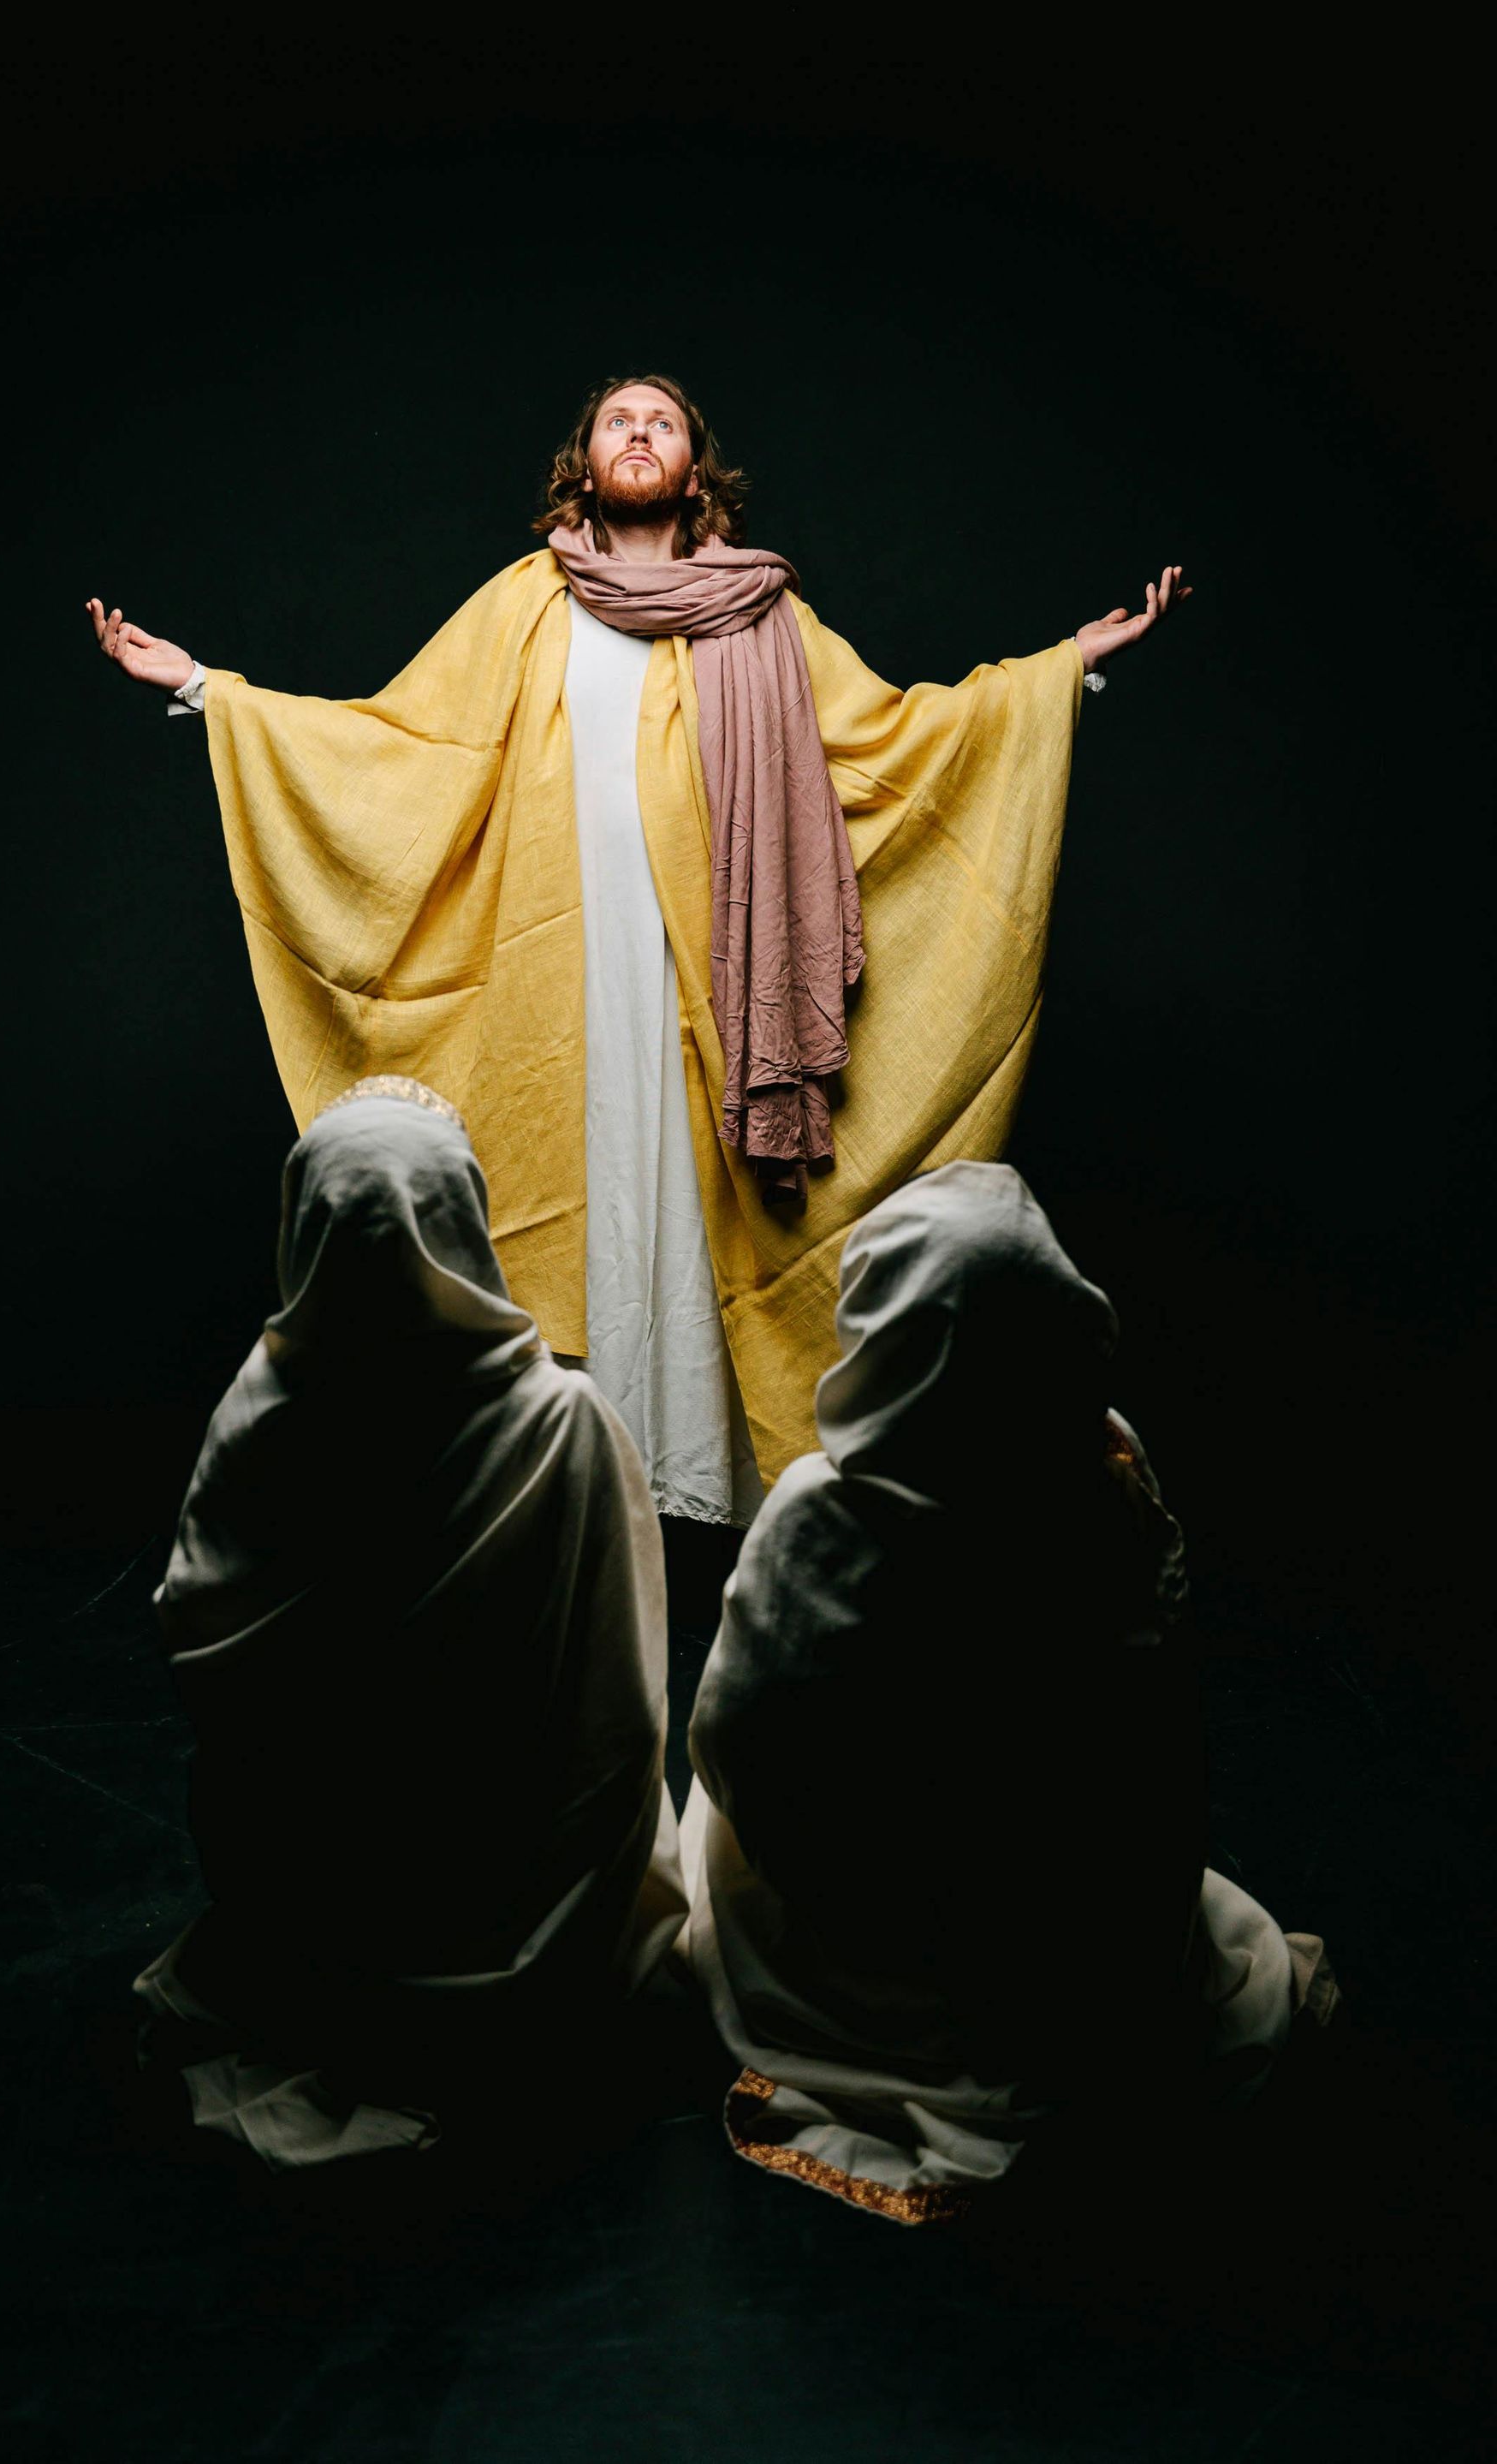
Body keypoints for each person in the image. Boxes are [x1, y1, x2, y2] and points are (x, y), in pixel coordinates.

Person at [86, 372, 1190, 1522]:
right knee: (580, 1194)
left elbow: (900, 739)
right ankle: (579, 1492)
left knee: (701, 1208)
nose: (639, 433)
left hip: (716, 979)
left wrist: (1062, 670)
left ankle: (695, 1488)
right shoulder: (525, 603)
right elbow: (398, 746)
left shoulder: (763, 616)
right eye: (619, 419)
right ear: (587, 462)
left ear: (693, 471)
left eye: (662, 421)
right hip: (559, 973)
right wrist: (207, 688)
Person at [677, 1160, 1336, 2223]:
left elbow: (735, 1749)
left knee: (717, 1801)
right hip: (1078, 1925)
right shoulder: (1109, 1470)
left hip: (883, 1933)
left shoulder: (819, 1517)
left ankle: (878, 2010)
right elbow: (1155, 1740)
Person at [134, 1075, 686, 2169]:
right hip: (528, 1886)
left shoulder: (263, 1416)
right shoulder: (562, 1423)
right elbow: (619, 1715)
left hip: (320, 1900)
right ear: (465, 1219)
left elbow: (203, 1653)